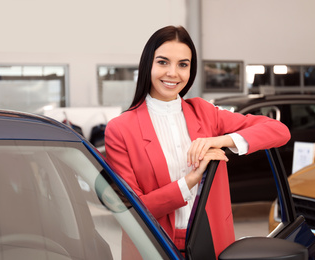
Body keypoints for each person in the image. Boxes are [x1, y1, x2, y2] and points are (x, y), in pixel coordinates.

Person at [105, 25, 291, 259]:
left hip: (212, 243)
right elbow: (132, 209)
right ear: (147, 66)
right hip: (153, 246)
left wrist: (219, 141)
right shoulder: (121, 129)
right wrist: (190, 181)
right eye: (163, 62)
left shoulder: (205, 113)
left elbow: (279, 130)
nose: (173, 73)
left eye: (183, 64)